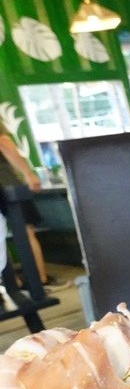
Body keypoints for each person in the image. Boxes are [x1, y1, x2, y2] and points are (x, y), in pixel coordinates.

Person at [0, 122, 54, 288]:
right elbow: (3, 142)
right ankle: (39, 280)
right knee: (26, 231)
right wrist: (28, 173)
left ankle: (12, 283)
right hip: (5, 182)